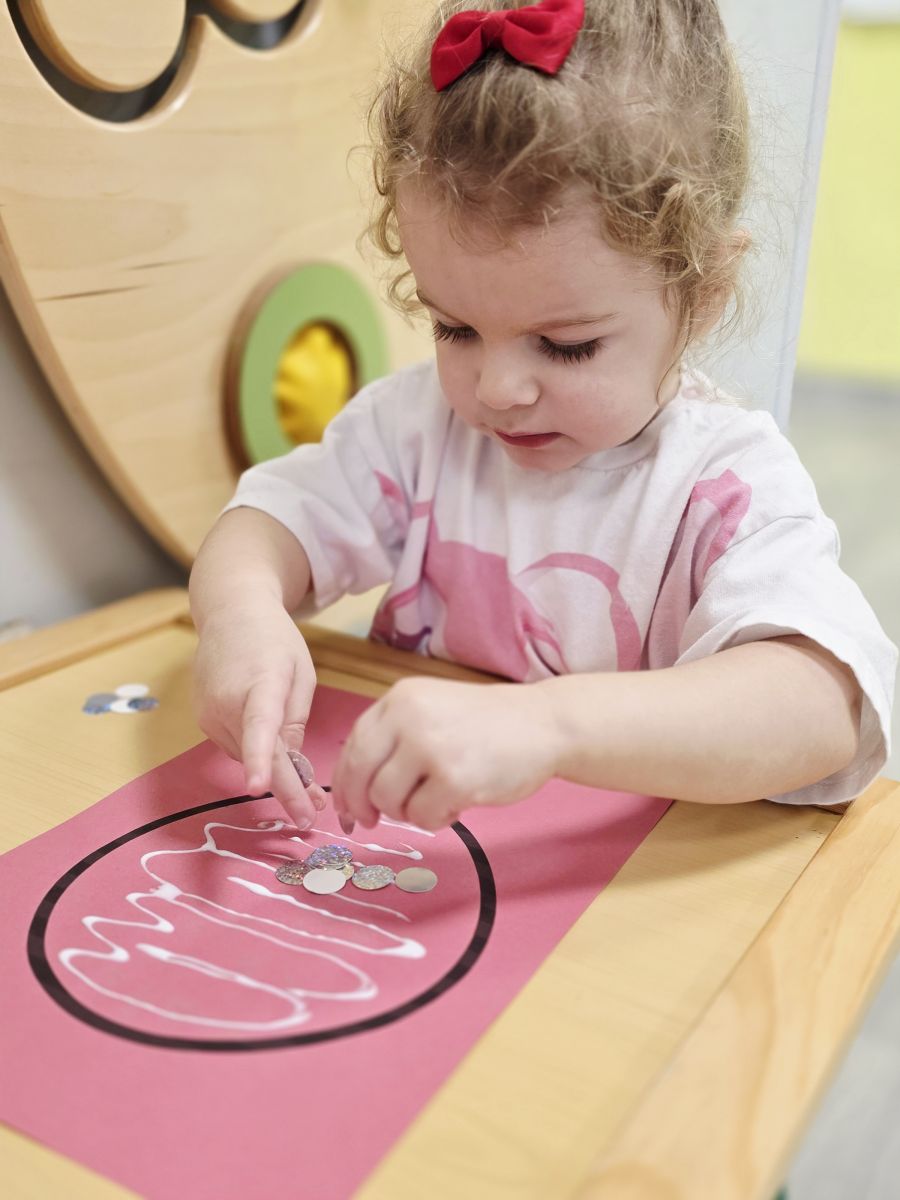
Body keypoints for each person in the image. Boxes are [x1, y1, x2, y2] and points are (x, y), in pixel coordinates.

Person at [189, 0, 896, 837]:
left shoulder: (725, 486)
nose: (497, 389)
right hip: (421, 863)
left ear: (703, 293)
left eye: (565, 346)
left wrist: (550, 727)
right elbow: (263, 526)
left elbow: (823, 706)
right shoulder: (418, 430)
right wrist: (241, 617)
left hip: (626, 889)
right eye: (454, 328)